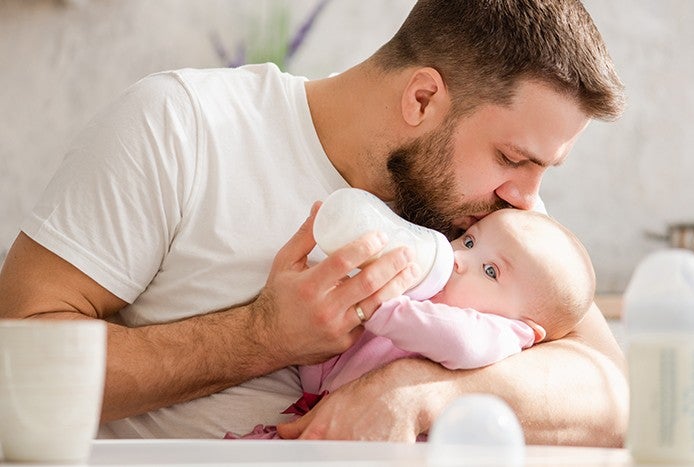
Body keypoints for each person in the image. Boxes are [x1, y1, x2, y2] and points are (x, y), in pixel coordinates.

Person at [0, 0, 627, 445]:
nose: (525, 199)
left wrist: (423, 391)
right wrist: (259, 337)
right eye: (513, 158)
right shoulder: (181, 127)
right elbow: (14, 361)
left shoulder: (490, 215)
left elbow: (609, 390)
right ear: (423, 98)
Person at [229, 207, 596, 439]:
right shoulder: (419, 302)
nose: (457, 259)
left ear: (527, 329)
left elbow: (458, 341)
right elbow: (323, 369)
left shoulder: (499, 333)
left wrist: (380, 306)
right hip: (322, 425)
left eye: (490, 270)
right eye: (468, 242)